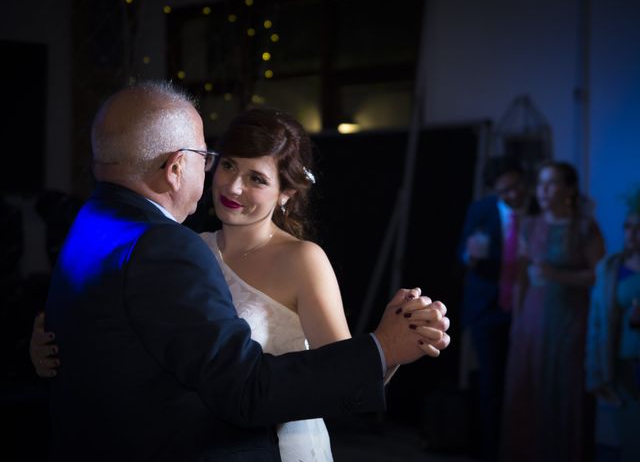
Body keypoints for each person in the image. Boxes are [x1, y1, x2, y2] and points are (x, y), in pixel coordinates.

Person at [37, 80, 450, 461]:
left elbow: (340, 376)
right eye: (227, 165)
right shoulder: (185, 246)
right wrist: (57, 346)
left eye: (256, 178)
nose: (233, 188)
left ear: (285, 195)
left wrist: (387, 350)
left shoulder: (303, 259)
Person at [500, 161, 605, 462]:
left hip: (569, 318)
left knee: (563, 386)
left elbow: (599, 275)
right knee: (526, 384)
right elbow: (519, 276)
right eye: (541, 183)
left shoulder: (584, 227)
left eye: (552, 183)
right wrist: (517, 321)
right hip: (532, 318)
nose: (543, 190)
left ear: (569, 189)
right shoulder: (531, 225)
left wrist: (559, 276)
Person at [457, 156, 536, 462]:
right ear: (495, 191)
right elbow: (462, 252)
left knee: (526, 381)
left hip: (529, 308)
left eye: (516, 187)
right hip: (488, 308)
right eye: (505, 191)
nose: (513, 195)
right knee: (491, 381)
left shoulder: (538, 210)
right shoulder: (482, 209)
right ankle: (491, 450)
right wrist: (470, 256)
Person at [585, 186, 640, 462]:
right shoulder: (610, 268)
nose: (632, 234)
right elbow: (597, 323)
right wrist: (596, 372)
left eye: (639, 228)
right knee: (630, 439)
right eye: (628, 226)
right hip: (624, 369)